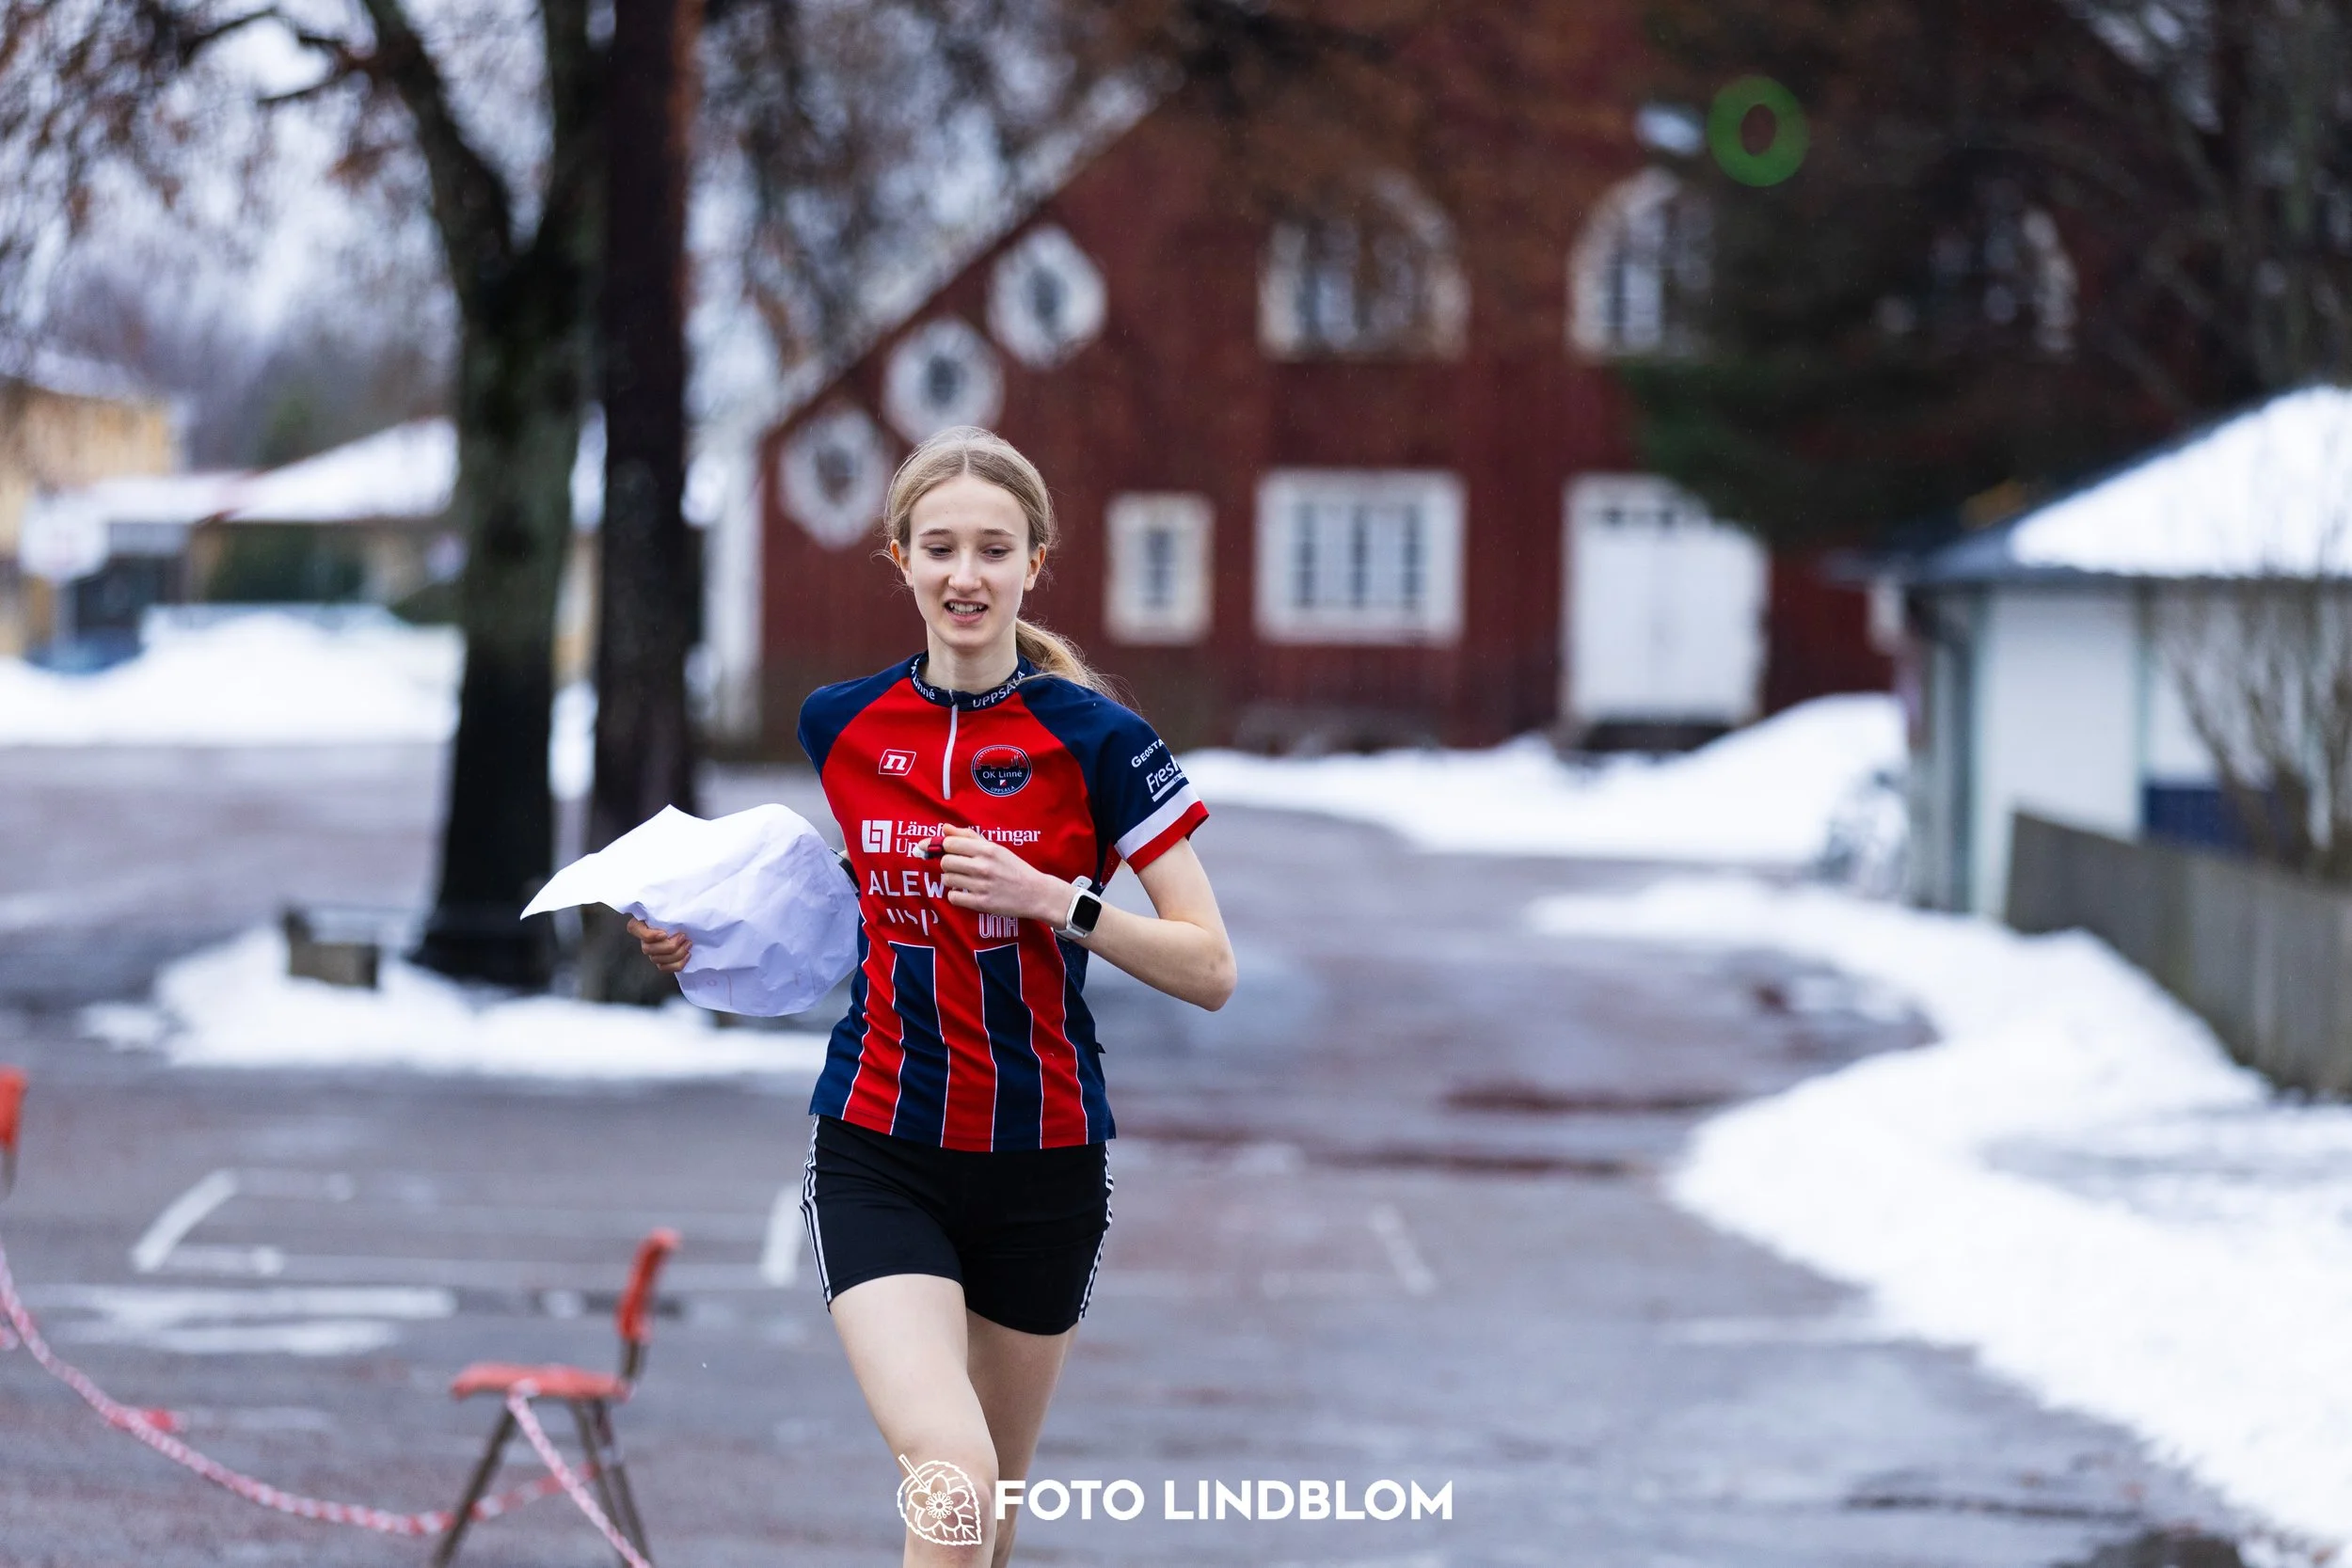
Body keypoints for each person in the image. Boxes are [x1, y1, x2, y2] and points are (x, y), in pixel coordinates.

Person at [630, 425, 1236, 1566]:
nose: (967, 574)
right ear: (899, 559)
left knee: (986, 1517)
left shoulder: (1103, 743)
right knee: (949, 1479)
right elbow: (855, 901)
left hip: (1044, 1160)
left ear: (1034, 563)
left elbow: (1210, 965)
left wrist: (1059, 899)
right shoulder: (841, 724)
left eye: (994, 549)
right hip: (879, 1142)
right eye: (942, 547)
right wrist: (700, 935)